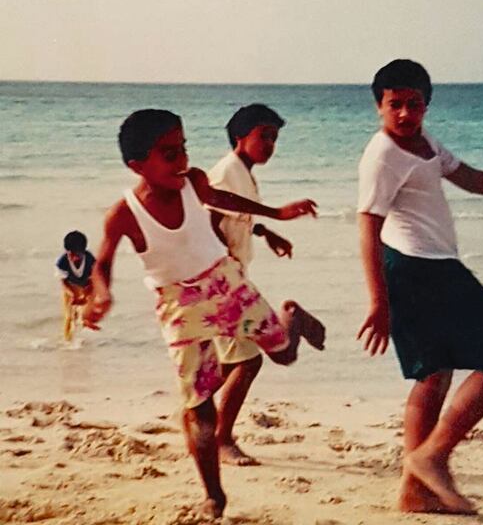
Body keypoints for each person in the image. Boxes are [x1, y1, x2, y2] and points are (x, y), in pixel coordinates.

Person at [85, 109, 318, 519]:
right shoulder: (122, 213)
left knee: (282, 354)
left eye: (184, 149)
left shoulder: (194, 182)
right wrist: (99, 295)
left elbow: (222, 200)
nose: (182, 160)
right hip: (178, 304)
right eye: (169, 153)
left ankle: (290, 319)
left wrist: (276, 214)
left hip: (225, 283)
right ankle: (214, 494)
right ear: (137, 165)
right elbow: (102, 262)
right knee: (199, 403)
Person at [356, 59, 483, 514]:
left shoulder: (424, 144)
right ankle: (431, 456)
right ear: (378, 107)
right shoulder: (382, 155)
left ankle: (413, 490)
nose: (404, 113)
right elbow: (367, 225)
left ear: (427, 103)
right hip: (413, 269)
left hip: (436, 265)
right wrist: (379, 300)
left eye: (414, 103)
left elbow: (469, 177)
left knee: (434, 374)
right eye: (394, 104)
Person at [206, 103, 325, 466]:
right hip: (221, 280)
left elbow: (238, 214)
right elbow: (210, 215)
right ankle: (219, 438)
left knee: (242, 362)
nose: (270, 144)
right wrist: (222, 258)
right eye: (264, 136)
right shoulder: (228, 171)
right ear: (240, 137)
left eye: (274, 138)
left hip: (230, 280)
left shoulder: (243, 172)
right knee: (240, 363)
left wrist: (265, 231)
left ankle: (218, 437)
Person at [55, 230, 97, 342]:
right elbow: (64, 282)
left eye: (77, 254)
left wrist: (85, 296)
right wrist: (73, 294)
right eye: (71, 254)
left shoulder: (90, 260)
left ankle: (83, 340)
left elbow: (94, 282)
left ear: (83, 252)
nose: (74, 257)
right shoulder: (62, 262)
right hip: (70, 287)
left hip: (87, 286)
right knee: (69, 316)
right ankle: (67, 341)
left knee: (84, 316)